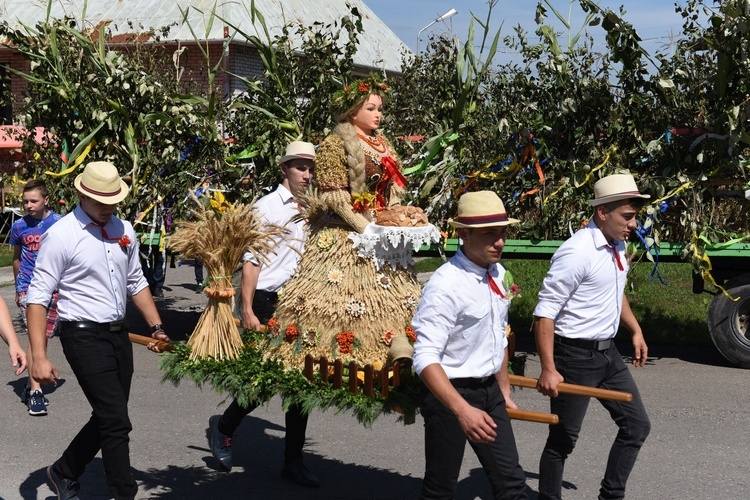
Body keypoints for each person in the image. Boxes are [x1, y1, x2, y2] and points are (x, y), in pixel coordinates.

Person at [27, 161, 170, 500]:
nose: (108, 208)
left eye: (113, 201)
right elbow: (37, 297)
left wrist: (157, 326)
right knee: (117, 421)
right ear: (81, 194)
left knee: (110, 415)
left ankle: (63, 470)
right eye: (100, 201)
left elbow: (136, 282)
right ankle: (124, 493)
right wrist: (39, 357)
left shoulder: (124, 229)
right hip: (82, 336)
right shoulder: (61, 235)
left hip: (119, 336)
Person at [270, 75, 422, 368]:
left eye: (380, 109)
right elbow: (337, 199)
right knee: (341, 304)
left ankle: (393, 355)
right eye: (371, 108)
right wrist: (366, 228)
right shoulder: (334, 144)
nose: (378, 114)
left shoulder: (382, 143)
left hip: (381, 234)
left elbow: (392, 188)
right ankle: (336, 358)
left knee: (391, 300)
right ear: (353, 111)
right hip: (345, 235)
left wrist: (395, 216)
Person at [533, 173, 652, 500]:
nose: (633, 224)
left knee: (636, 427)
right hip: (573, 356)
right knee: (562, 442)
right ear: (602, 212)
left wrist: (635, 329)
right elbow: (544, 313)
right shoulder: (577, 252)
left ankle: (611, 496)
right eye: (626, 217)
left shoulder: (618, 244)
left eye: (634, 217)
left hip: (608, 355)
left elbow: (614, 292)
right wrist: (548, 368)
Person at [208, 141, 319, 487]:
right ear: (284, 169)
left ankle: (293, 461)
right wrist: (249, 309)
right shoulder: (267, 208)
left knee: (302, 384)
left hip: (301, 303)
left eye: (310, 168)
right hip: (269, 301)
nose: (306, 174)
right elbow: (251, 261)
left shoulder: (314, 209)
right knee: (265, 379)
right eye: (300, 167)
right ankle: (224, 427)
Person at [412, 190, 529, 500]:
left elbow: (499, 335)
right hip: (450, 394)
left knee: (512, 485)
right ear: (463, 234)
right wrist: (462, 410)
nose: (500, 241)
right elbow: (424, 358)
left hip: (489, 391)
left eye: (502, 232)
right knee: (441, 489)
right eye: (489, 233)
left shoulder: (500, 274)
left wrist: (503, 390)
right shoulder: (445, 285)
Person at [10, 179, 62, 415]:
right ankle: (35, 391)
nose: (28, 205)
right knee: (35, 338)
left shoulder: (59, 224)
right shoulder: (19, 226)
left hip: (52, 287)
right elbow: (17, 258)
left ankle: (33, 382)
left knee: (43, 338)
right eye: (25, 201)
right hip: (28, 289)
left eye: (34, 201)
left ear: (46, 200)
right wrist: (18, 288)